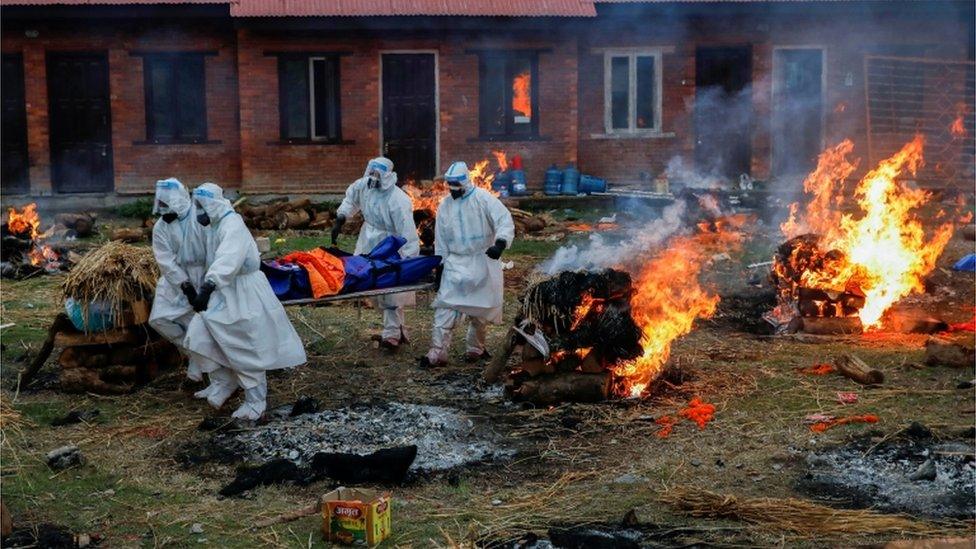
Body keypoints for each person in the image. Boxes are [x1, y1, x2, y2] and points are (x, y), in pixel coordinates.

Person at [183, 183, 307, 420]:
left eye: (202, 207)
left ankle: (255, 401)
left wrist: (208, 287)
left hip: (243, 292)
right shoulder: (214, 225)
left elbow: (228, 259)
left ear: (213, 205)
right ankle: (224, 381)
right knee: (199, 334)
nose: (198, 213)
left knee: (245, 345)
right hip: (224, 290)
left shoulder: (232, 225)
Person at [421, 161, 515, 368]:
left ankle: (476, 348)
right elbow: (441, 239)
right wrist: (440, 267)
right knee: (446, 306)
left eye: (457, 186)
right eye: (450, 186)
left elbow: (504, 221)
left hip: (482, 261)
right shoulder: (445, 205)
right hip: (456, 262)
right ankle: (437, 352)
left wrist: (500, 244)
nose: (453, 191)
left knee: (479, 311)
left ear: (465, 183)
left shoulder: (483, 199)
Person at [331, 157, 419, 351]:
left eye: (377, 174)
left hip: (390, 244)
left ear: (387, 176)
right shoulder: (364, 186)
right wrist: (341, 217)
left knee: (389, 289)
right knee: (371, 285)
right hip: (368, 239)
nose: (373, 177)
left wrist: (409, 258)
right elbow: (351, 199)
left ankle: (392, 334)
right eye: (371, 172)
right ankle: (399, 328)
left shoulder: (398, 200)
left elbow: (407, 232)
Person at [147, 178, 218, 383]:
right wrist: (185, 286)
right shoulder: (161, 226)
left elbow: (212, 247)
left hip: (205, 274)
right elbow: (165, 260)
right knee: (159, 319)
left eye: (166, 203)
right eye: (161, 203)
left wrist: (207, 283)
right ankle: (194, 354)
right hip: (176, 278)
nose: (163, 208)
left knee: (202, 320)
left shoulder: (200, 217)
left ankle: (212, 369)